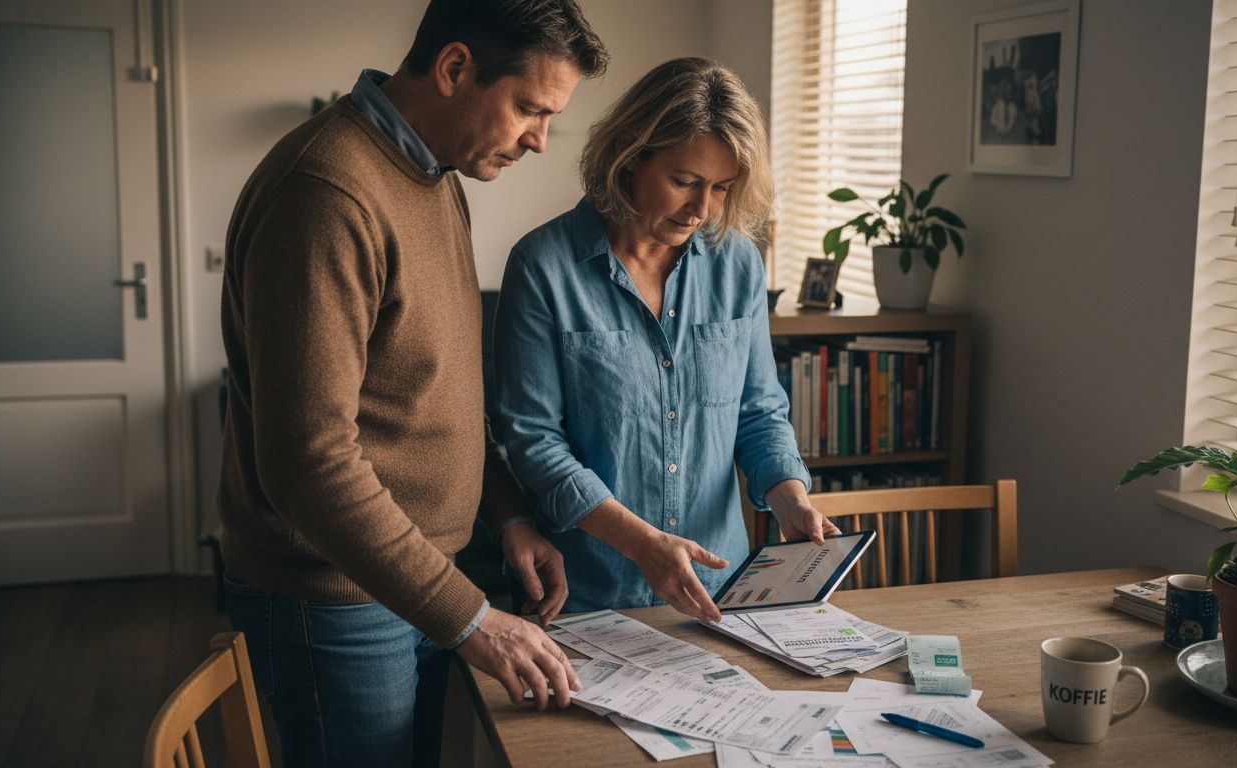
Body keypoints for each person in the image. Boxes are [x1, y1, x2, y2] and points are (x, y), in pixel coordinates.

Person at [217, 2, 607, 765]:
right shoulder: (328, 192)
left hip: (410, 583)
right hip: (334, 599)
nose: (539, 139)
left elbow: (434, 400)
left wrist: (508, 516)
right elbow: (310, 464)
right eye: (529, 108)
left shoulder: (432, 171)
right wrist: (473, 617)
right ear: (455, 68)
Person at [492, 57, 838, 623]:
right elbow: (533, 443)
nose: (701, 210)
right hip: (586, 595)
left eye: (721, 189)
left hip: (719, 593)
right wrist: (641, 543)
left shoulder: (738, 266)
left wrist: (788, 498)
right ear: (631, 154)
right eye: (684, 181)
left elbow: (758, 411)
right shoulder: (542, 266)